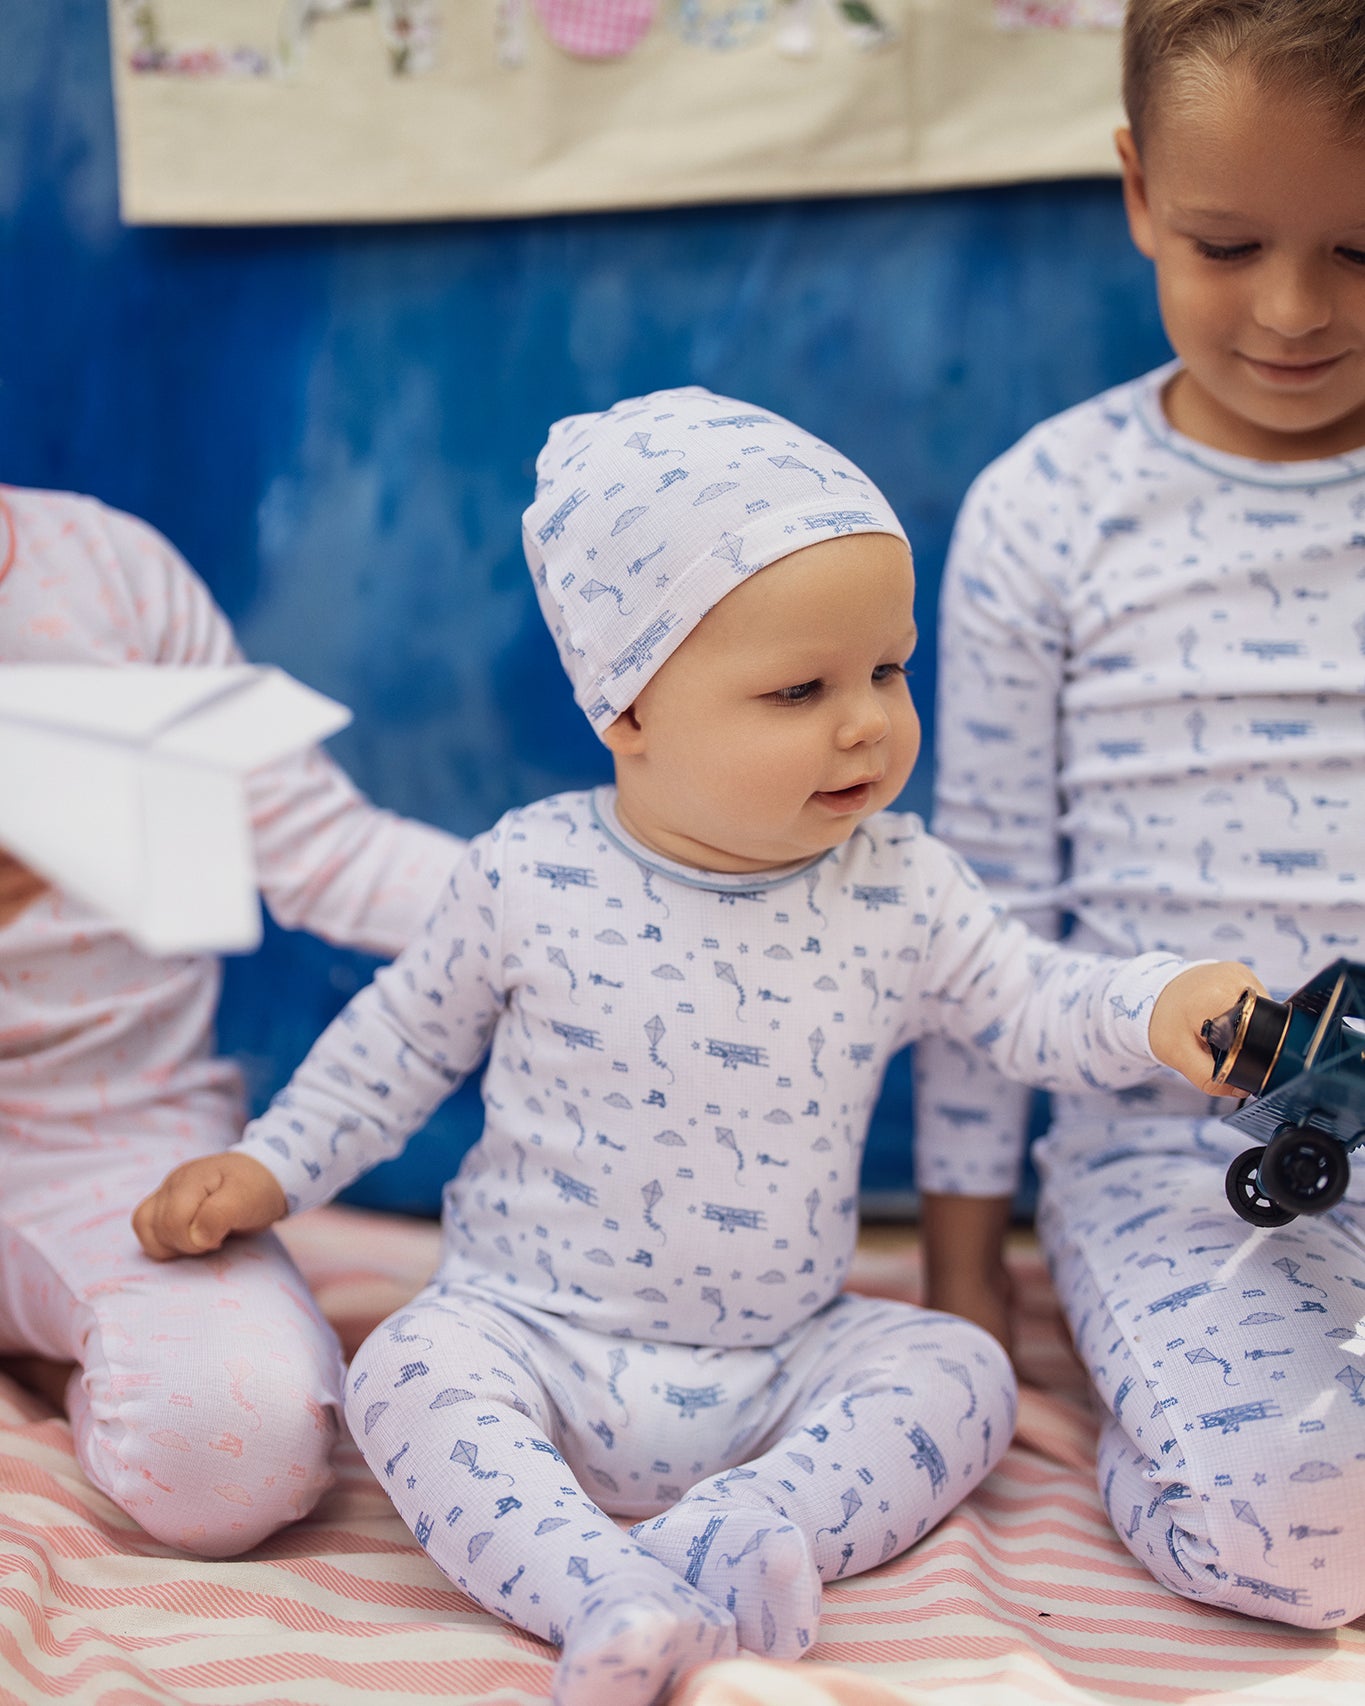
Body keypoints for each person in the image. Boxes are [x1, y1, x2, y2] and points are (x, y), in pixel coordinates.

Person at [134, 387, 1257, 1706]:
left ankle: (739, 1529)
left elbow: (1028, 997)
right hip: (534, 1333)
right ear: (626, 710)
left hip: (782, 1362)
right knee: (407, 1369)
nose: (866, 722)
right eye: (801, 688)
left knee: (960, 1372)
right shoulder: (530, 874)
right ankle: (592, 1592)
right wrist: (270, 1170)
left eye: (889, 671)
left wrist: (1155, 1004)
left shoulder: (899, 883)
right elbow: (391, 1048)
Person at [914, 0, 1365, 1630]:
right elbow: (985, 922)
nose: (1298, 311)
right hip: (1168, 1158)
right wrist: (966, 1274)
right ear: (1136, 191)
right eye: (1229, 242)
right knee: (1302, 1530)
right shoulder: (1047, 512)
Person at [0, 484, 462, 1555]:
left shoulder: (107, 569)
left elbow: (326, 851)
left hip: (112, 1144)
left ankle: (78, 1327)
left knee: (236, 1446)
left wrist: (592, 893)